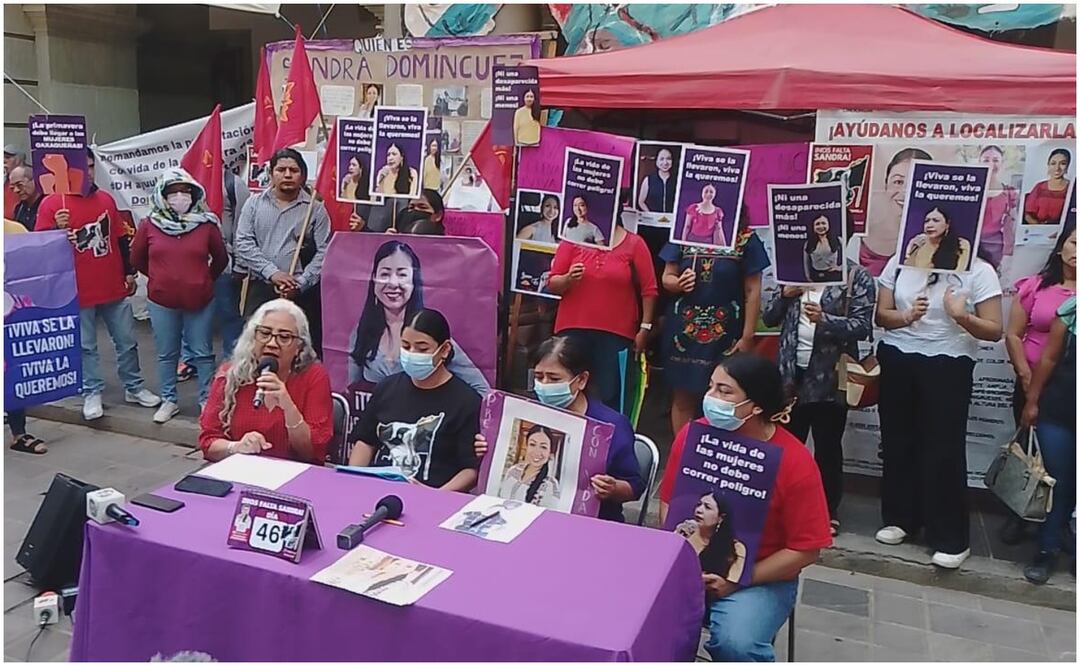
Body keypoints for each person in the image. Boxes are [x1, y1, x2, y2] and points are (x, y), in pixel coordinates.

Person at [658, 353, 832, 662]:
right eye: (711, 387)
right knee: (635, 618)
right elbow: (669, 503)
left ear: (757, 406)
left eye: (725, 392)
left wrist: (740, 577)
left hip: (760, 578)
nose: (711, 398)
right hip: (685, 568)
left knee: (736, 644)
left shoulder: (795, 462)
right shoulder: (692, 436)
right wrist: (685, 562)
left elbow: (807, 549)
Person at [875, 249, 1003, 569]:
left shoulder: (980, 270)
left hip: (949, 361)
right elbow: (882, 316)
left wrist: (961, 316)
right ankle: (901, 519)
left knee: (942, 449)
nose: (927, 226)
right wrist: (906, 317)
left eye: (936, 219)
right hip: (898, 356)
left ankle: (950, 538)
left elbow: (994, 329)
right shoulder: (900, 261)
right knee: (897, 441)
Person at [35, 147, 159, 421]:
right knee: (87, 345)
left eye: (91, 166)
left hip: (111, 285)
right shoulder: (52, 204)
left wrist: (129, 272)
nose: (87, 172)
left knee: (127, 340)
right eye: (82, 167)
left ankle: (134, 386)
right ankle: (92, 391)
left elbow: (119, 238)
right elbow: (39, 248)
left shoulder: (105, 199)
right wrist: (57, 230)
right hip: (76, 290)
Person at [474, 335, 646, 521]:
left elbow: (634, 487)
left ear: (581, 380)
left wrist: (612, 488)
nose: (544, 385)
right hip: (519, 519)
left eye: (554, 378)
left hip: (591, 525)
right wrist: (489, 449)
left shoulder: (610, 425)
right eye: (539, 377)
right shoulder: (523, 412)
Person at [763, 259, 876, 535]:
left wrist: (824, 319)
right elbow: (769, 318)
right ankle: (779, 506)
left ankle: (826, 510)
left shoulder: (855, 275)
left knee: (827, 448)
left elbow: (862, 326)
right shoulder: (791, 270)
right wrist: (784, 294)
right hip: (790, 377)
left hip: (829, 378)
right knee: (785, 446)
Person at [131, 169, 228, 423]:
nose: (179, 197)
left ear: (194, 194)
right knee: (166, 353)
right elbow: (137, 258)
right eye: (173, 192)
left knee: (203, 352)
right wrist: (160, 277)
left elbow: (220, 258)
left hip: (200, 300)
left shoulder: (206, 224)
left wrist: (203, 278)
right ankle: (169, 399)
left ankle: (206, 399)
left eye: (184, 191)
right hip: (162, 302)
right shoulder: (149, 224)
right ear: (163, 196)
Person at [348, 309, 481, 490]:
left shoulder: (466, 401)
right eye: (406, 346)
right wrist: (353, 481)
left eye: (422, 348)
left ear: (445, 350)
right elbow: (365, 441)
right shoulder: (386, 388)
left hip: (434, 498)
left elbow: (470, 470)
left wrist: (436, 495)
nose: (412, 353)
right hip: (378, 490)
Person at [660, 213, 767, 436]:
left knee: (725, 400)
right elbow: (666, 277)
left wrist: (747, 336)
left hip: (727, 334)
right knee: (682, 398)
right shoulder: (683, 233)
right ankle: (684, 455)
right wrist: (678, 283)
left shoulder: (746, 238)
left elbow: (753, 290)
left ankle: (715, 459)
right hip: (684, 332)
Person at [1001, 223, 1075, 545]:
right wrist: (1025, 375)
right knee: (1030, 457)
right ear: (1061, 248)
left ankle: (1060, 528)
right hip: (1031, 384)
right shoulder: (1034, 287)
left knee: (1063, 468)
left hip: (1067, 388)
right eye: (1074, 242)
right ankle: (1021, 516)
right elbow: (1013, 334)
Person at [199, 299, 332, 463]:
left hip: (295, 476)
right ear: (252, 338)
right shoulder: (230, 374)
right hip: (241, 470)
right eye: (265, 333)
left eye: (284, 337)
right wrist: (236, 447)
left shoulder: (314, 376)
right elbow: (208, 443)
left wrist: (287, 404)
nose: (272, 343)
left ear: (299, 347)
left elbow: (313, 452)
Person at [347, 240, 488, 392]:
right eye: (385, 274)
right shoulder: (362, 331)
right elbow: (353, 389)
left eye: (402, 274)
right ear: (374, 278)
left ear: (414, 280)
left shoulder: (429, 330)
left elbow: (482, 389)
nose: (393, 283)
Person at [548, 219, 657, 411]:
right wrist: (568, 278)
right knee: (567, 387)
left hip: (616, 335)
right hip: (572, 330)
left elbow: (649, 290)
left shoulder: (635, 243)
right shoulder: (571, 240)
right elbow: (553, 283)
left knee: (610, 393)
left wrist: (645, 328)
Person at [233, 148, 330, 354]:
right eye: (281, 169)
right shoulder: (253, 204)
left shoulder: (316, 209)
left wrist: (300, 283)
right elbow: (243, 243)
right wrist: (273, 273)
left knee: (299, 349)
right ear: (271, 174)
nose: (287, 175)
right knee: (256, 347)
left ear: (302, 175)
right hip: (261, 287)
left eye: (293, 170)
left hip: (300, 293)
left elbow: (325, 251)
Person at [1020, 295, 1076, 584]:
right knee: (1056, 483)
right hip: (1061, 408)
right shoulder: (1072, 308)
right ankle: (1047, 549)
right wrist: (1032, 401)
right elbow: (1050, 357)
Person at [3, 218, 46, 454]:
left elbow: (35, 267)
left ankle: (19, 434)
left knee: (13, 371)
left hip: (9, 312)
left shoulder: (15, 229)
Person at [859, 148, 932, 277]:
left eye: (916, 182)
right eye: (898, 182)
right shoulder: (858, 233)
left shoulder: (941, 238)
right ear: (886, 183)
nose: (905, 192)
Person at [673, 491, 748, 583]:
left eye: (707, 507)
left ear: (721, 517)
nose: (699, 510)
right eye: (699, 504)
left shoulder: (736, 548)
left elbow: (730, 583)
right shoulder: (686, 532)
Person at [497, 424, 561, 507]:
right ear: (526, 446)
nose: (537, 452)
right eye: (532, 444)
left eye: (543, 447)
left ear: (550, 453)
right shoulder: (513, 470)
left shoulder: (551, 485)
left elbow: (549, 516)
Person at [978, 145, 1019, 270]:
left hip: (995, 248)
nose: (991, 164)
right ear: (979, 162)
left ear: (1002, 163)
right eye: (986, 160)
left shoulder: (1010, 193)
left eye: (995, 160)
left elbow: (1010, 225)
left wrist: (1008, 251)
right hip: (970, 244)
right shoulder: (969, 189)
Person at [903, 206, 971, 271]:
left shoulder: (961, 244)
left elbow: (959, 274)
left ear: (947, 224)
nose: (929, 225)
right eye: (927, 221)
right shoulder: (918, 243)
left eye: (936, 221)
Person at [1024, 148, 1072, 225]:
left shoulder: (1073, 188)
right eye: (1053, 163)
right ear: (1048, 165)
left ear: (1067, 166)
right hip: (1037, 229)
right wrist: (1039, 227)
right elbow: (1028, 215)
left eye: (1062, 163)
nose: (1057, 168)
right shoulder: (1039, 187)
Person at [802, 214, 843, 282]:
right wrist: (808, 277)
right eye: (817, 224)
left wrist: (840, 268)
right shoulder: (808, 243)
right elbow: (806, 262)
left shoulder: (838, 240)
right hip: (816, 276)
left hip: (833, 276)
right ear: (813, 227)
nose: (821, 226)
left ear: (828, 225)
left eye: (823, 223)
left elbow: (848, 257)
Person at [637, 147, 677, 215]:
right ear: (657, 161)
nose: (665, 162)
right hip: (653, 222)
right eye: (661, 159)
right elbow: (641, 202)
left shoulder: (677, 181)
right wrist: (650, 215)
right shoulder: (648, 180)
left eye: (668, 159)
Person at [9, 165, 42, 232]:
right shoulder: (19, 208)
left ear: (34, 180)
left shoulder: (47, 204)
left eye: (20, 185)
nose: (16, 190)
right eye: (12, 188)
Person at [3, 145, 24, 220]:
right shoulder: (4, 179)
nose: (4, 160)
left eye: (8, 157)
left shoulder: (27, 178)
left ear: (19, 160)